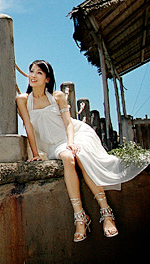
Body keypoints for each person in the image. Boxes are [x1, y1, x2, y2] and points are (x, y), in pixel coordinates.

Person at [16, 60, 148, 242]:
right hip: (51, 145)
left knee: (78, 155)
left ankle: (105, 211)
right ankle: (80, 215)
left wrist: (71, 142)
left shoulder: (58, 96)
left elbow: (69, 122)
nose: (33, 75)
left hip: (74, 135)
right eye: (31, 71)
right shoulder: (23, 100)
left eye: (39, 73)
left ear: (47, 79)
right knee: (68, 157)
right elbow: (28, 127)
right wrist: (36, 154)